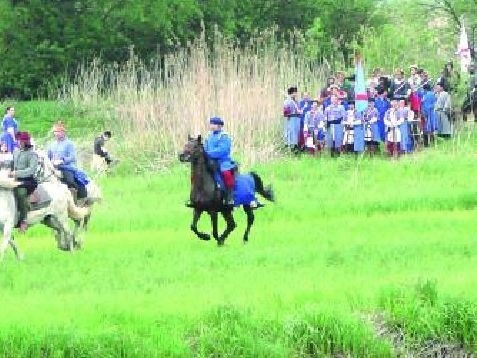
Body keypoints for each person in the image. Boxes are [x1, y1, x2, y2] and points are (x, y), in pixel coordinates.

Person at [47, 121, 88, 203]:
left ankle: (77, 200)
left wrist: (62, 160)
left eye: (58, 131)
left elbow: (72, 157)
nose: (56, 134)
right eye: (55, 132)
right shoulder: (52, 144)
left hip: (67, 167)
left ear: (63, 132)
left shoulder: (69, 143)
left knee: (69, 181)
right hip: (53, 167)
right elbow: (48, 156)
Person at [9, 132, 38, 233]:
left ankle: (23, 220)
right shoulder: (15, 152)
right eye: (18, 140)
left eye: (21, 141)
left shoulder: (32, 154)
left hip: (28, 180)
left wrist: (16, 173)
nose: (19, 142)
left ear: (26, 142)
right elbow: (12, 165)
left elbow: (31, 170)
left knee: (20, 193)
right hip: (14, 179)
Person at [204, 117, 236, 208]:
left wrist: (209, 153)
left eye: (214, 124)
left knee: (226, 173)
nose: (212, 126)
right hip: (210, 161)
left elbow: (223, 150)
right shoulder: (208, 137)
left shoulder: (224, 136)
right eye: (211, 124)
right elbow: (205, 148)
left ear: (219, 126)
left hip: (223, 161)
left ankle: (230, 196)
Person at [283, 86, 302, 152]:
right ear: (291, 93)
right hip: (291, 118)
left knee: (297, 132)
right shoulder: (287, 101)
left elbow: (299, 109)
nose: (296, 94)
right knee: (291, 132)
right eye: (294, 93)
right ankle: (291, 146)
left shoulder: (297, 101)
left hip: (297, 118)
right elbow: (286, 111)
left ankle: (296, 145)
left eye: (296, 93)